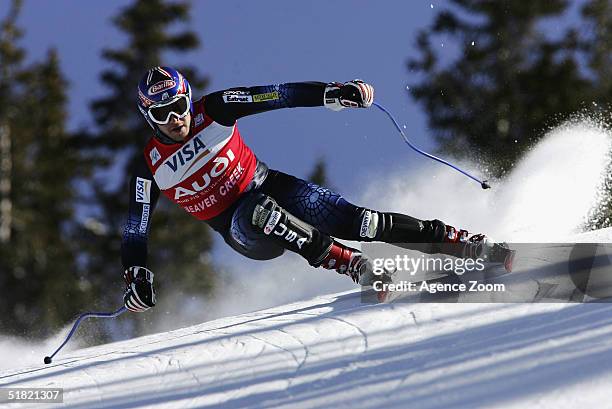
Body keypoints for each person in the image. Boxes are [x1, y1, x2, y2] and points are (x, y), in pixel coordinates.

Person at [121, 66, 494, 312]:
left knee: (359, 222)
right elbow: (136, 227)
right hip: (243, 231)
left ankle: (454, 241)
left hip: (270, 184)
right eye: (162, 114)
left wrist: (333, 93)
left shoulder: (214, 108)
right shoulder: (149, 165)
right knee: (257, 212)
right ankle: (350, 264)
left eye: (180, 106)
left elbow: (277, 94)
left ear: (190, 98)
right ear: (147, 116)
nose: (175, 119)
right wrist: (136, 273)